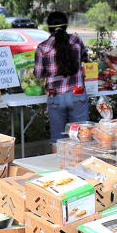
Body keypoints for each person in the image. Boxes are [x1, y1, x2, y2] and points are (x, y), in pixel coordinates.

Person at [34, 11, 90, 148]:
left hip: (55, 96)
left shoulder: (43, 47)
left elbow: (39, 74)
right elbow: (85, 59)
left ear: (49, 27)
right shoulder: (76, 40)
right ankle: (80, 167)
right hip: (78, 94)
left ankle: (57, 168)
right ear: (66, 26)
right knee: (82, 137)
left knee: (57, 140)